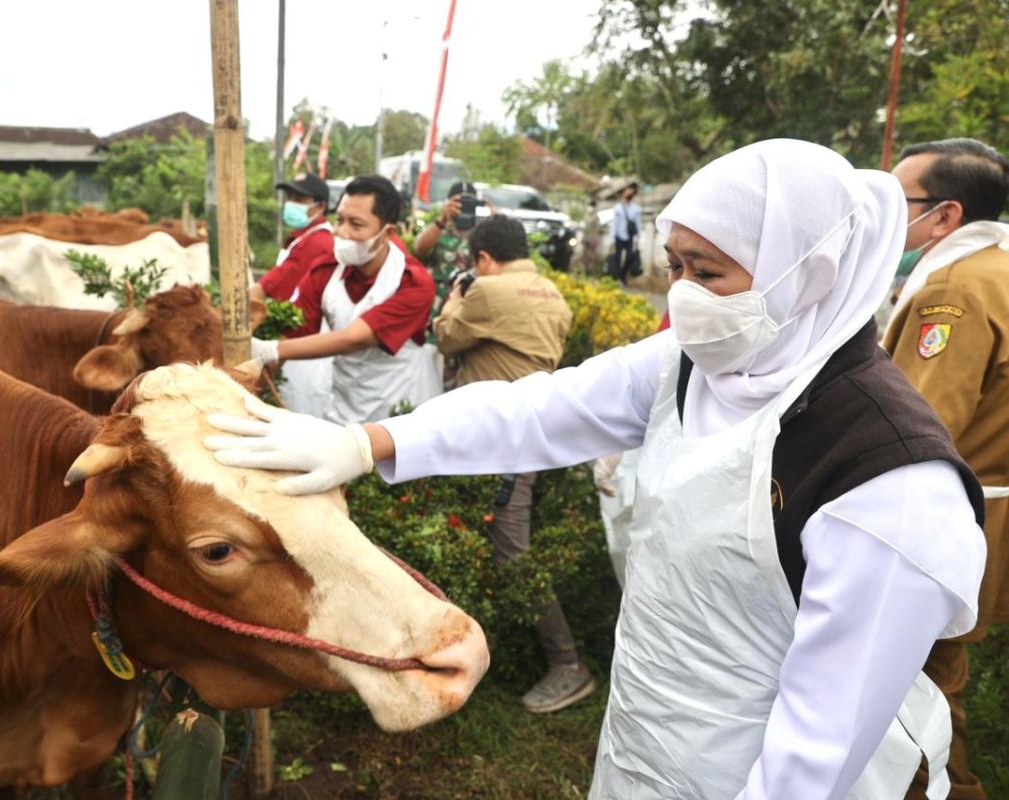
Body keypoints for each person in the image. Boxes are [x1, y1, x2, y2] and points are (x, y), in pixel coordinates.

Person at [206, 140, 987, 799]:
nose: (681, 297)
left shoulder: (886, 480)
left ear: (808, 275)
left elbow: (821, 742)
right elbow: (542, 409)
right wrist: (372, 443)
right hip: (646, 735)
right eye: (673, 265)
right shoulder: (705, 359)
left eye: (707, 273)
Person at [884, 137, 1009, 800]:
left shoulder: (956, 288)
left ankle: (947, 788)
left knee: (918, 679)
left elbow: (915, 425)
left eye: (894, 201)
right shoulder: (997, 266)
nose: (883, 217)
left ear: (944, 215)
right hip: (978, 506)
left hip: (946, 516)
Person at [433, 214, 584, 712]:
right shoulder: (551, 294)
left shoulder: (488, 293)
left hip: (497, 443)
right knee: (496, 545)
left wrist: (456, 295)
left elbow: (447, 337)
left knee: (510, 555)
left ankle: (567, 664)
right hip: (530, 437)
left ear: (482, 258)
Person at [248, 175, 440, 425]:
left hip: (400, 405)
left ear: (387, 233)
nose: (342, 233)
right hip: (344, 402)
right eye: (339, 220)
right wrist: (255, 384)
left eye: (356, 225)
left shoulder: (412, 281)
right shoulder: (325, 270)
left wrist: (268, 349)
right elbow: (295, 330)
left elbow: (355, 338)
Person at [250, 172, 335, 303]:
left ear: (321, 206)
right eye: (290, 197)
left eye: (299, 199)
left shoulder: (317, 243)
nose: (291, 204)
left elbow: (275, 283)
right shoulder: (306, 236)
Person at [413, 180, 478, 315]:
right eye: (458, 203)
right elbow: (419, 249)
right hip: (439, 303)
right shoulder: (438, 229)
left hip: (471, 303)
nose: (462, 207)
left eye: (469, 203)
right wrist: (442, 219)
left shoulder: (482, 231)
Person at [606, 182, 642, 284]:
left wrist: (638, 237)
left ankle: (623, 274)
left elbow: (638, 223)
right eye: (627, 191)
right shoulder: (618, 207)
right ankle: (617, 276)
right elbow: (614, 223)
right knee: (617, 257)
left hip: (630, 236)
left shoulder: (636, 208)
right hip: (619, 236)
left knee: (630, 257)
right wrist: (612, 238)